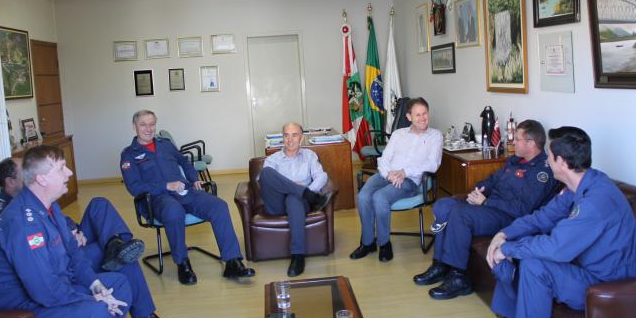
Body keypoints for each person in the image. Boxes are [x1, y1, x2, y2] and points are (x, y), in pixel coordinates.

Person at [469, 127, 636, 318]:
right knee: (519, 255)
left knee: (532, 263)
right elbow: (543, 217)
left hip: (611, 287)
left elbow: (557, 249)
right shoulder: (581, 184)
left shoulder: (596, 200)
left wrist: (509, 248)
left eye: (550, 156)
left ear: (561, 162)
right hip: (587, 270)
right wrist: (504, 234)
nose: (547, 160)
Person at [0, 146, 162, 318]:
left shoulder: (50, 207)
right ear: (42, 179)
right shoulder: (22, 223)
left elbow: (74, 255)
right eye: (61, 169)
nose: (69, 173)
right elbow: (44, 290)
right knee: (96, 311)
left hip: (51, 290)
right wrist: (92, 299)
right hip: (20, 307)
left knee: (119, 284)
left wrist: (95, 286)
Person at [413, 120, 558, 300]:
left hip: (508, 217)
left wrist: (486, 202)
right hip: (488, 205)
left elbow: (522, 209)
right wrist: (478, 191)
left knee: (460, 214)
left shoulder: (542, 172)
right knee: (444, 205)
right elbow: (492, 180)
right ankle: (441, 264)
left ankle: (460, 277)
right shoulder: (514, 161)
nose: (513, 142)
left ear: (531, 144)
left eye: (517, 139)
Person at [121, 110, 254, 285]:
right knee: (173, 211)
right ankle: (183, 263)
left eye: (152, 124)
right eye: (143, 124)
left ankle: (232, 262)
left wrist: (194, 178)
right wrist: (165, 186)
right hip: (157, 199)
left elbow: (184, 161)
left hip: (184, 192)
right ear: (134, 127)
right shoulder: (129, 154)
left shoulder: (165, 144)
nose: (148, 128)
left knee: (219, 206)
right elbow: (134, 187)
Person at [350, 97, 443, 262]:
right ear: (409, 117)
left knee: (380, 197)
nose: (422, 118)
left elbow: (432, 164)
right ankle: (367, 242)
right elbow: (384, 158)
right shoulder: (398, 134)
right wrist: (389, 174)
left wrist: (404, 172)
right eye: (418, 115)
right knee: (363, 196)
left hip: (410, 180)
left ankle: (384, 243)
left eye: (425, 114)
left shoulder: (435, 136)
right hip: (386, 174)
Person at [259, 122, 334, 277]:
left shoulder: (310, 156)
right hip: (276, 204)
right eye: (286, 135)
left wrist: (306, 190)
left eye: (294, 135)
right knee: (266, 173)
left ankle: (297, 256)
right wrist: (301, 189)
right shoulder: (272, 159)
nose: (290, 139)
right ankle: (306, 194)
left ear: (301, 138)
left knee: (294, 197)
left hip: (299, 204)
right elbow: (265, 181)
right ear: (282, 138)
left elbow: (321, 176)